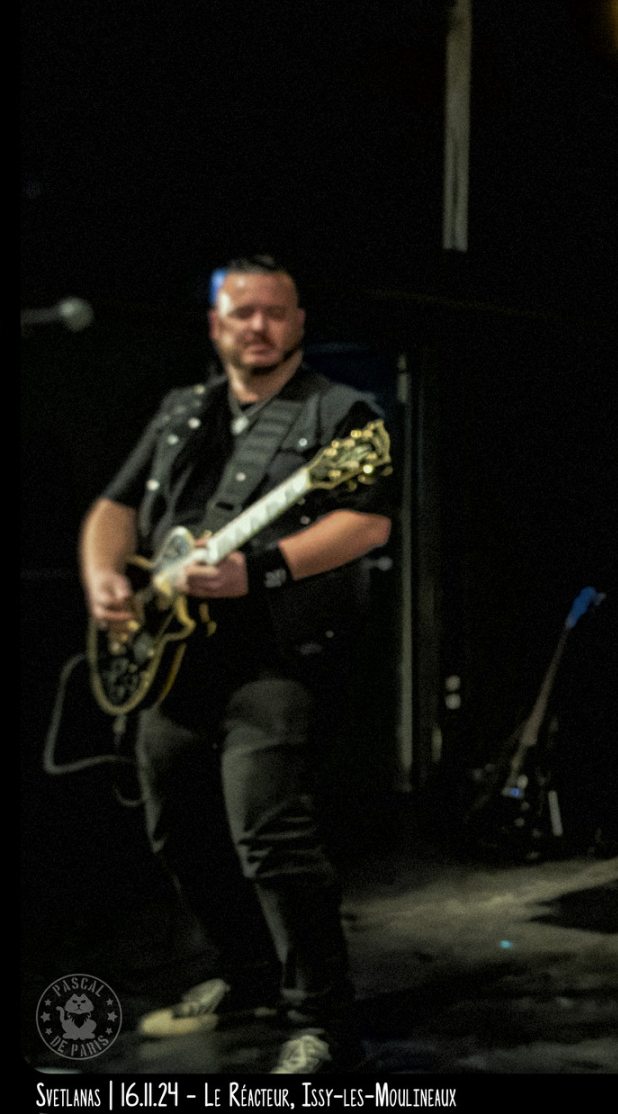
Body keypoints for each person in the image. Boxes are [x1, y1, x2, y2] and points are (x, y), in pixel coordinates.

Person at [79, 256, 394, 1074]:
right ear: (217, 325)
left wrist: (261, 570)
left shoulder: (339, 414)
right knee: (176, 830)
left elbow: (367, 524)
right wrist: (106, 577)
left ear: (299, 323)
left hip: (275, 660)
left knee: (269, 834)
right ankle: (247, 971)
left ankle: (322, 1018)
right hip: (171, 659)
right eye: (242, 312)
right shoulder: (183, 411)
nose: (259, 325)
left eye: (275, 312)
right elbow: (115, 507)